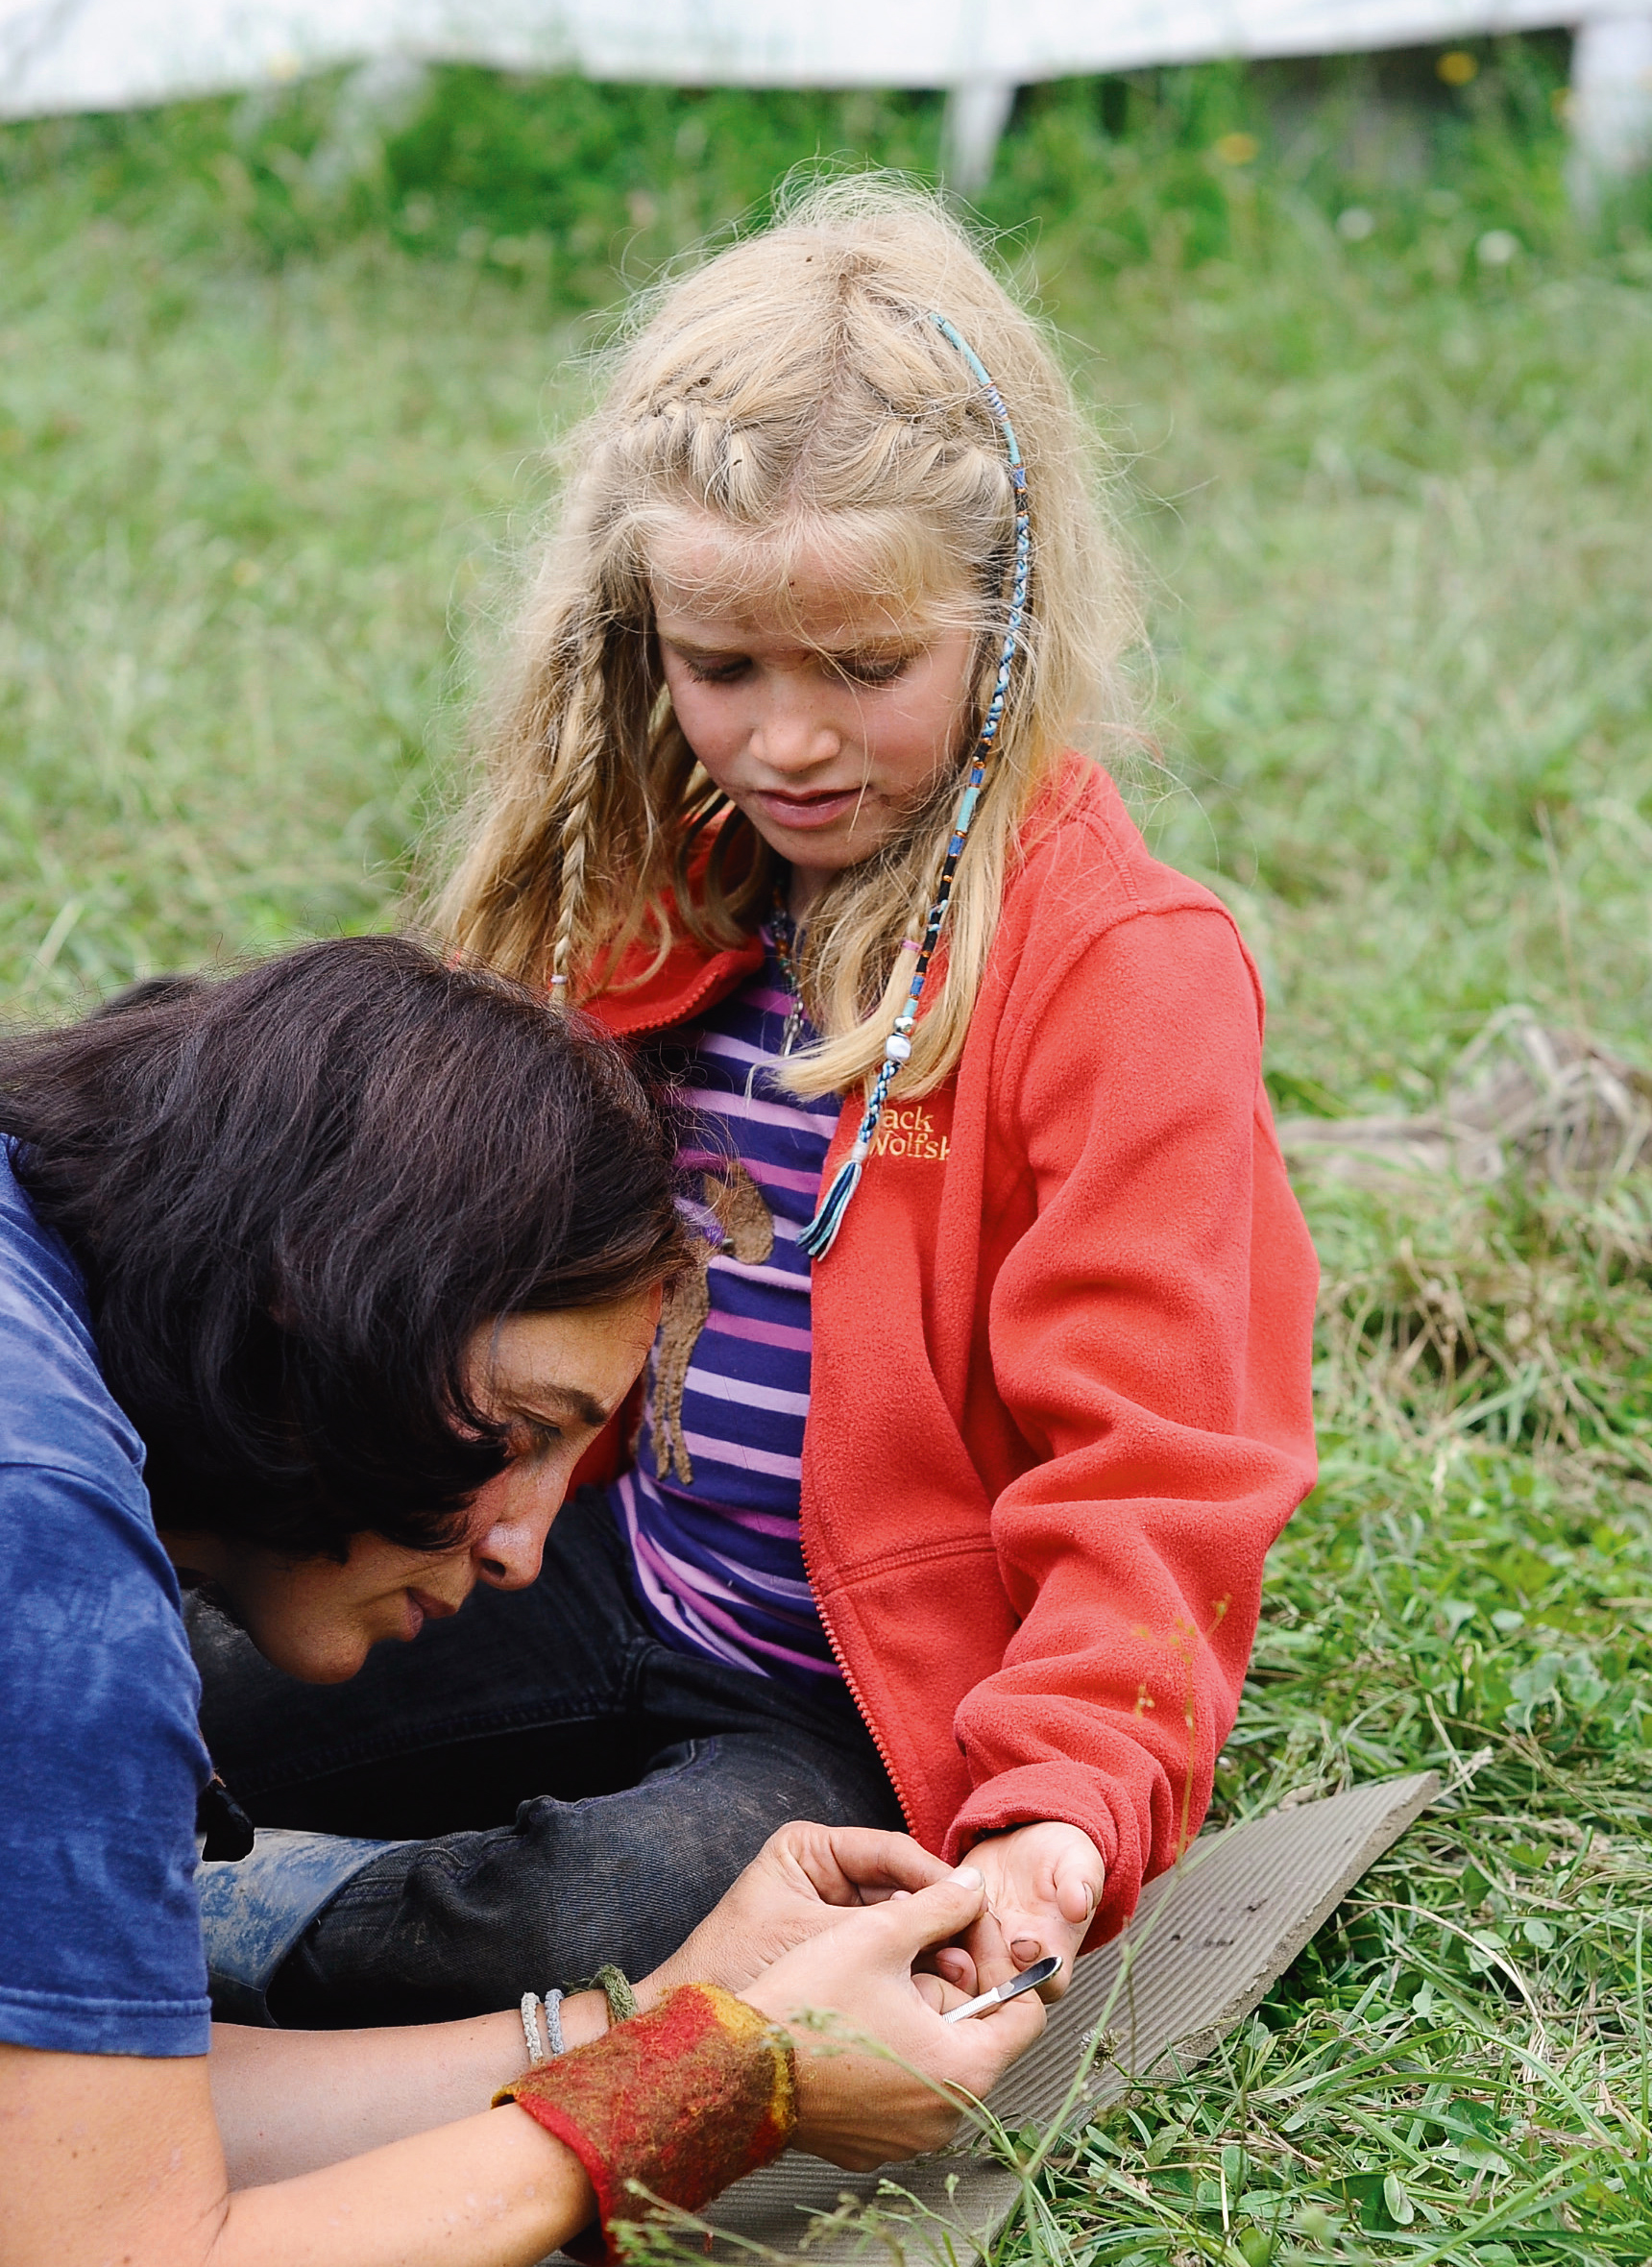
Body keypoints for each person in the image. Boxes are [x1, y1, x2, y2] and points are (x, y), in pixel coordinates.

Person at [194, 175, 1321, 2035]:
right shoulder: (637, 889)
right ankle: (135, 1879)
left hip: (854, 1704)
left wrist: (1055, 1811)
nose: (785, 741)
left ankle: (199, 1942)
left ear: (1008, 621)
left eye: (865, 668)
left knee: (607, 1909)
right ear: (638, 636)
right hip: (587, 1559)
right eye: (720, 668)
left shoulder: (1123, 971)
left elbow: (1161, 1463)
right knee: (171, 1679)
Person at [0, 938, 1041, 2267]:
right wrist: (718, 2086)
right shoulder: (51, 1550)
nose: (522, 1544)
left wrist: (655, 2017)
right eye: (516, 1430)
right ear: (326, 1308)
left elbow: (87, 2132)